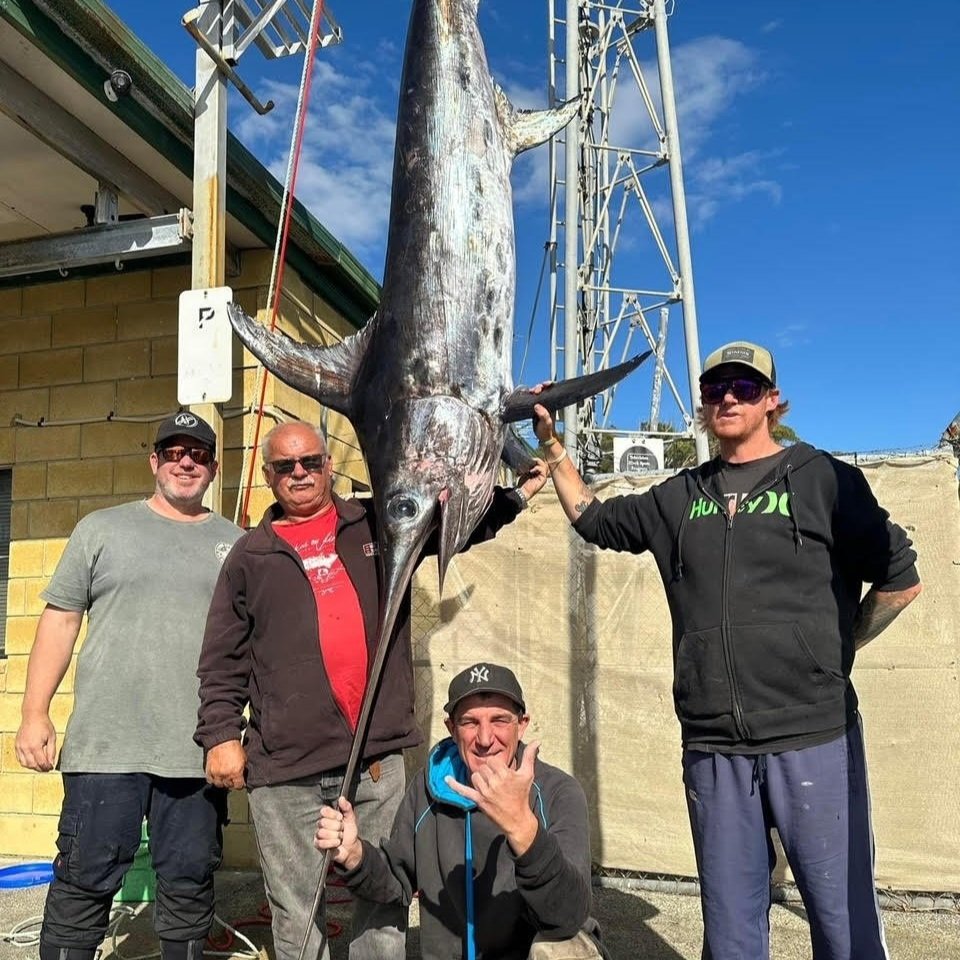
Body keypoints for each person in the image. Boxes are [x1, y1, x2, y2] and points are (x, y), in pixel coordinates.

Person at [532, 340, 922, 960]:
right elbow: (595, 520)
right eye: (716, 389)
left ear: (772, 400)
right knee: (731, 929)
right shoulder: (679, 497)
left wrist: (833, 652)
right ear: (704, 404)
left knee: (842, 921)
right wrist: (554, 448)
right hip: (714, 746)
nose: (729, 398)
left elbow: (900, 578)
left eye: (745, 387)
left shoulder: (824, 480)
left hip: (814, 735)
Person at [195, 422, 546, 960]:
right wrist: (221, 734)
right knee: (295, 911)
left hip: (374, 763)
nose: (299, 473)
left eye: (310, 462)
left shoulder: (377, 521)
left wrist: (516, 496)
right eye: (285, 466)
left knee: (383, 897)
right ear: (268, 476)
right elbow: (222, 657)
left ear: (329, 465)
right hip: (285, 766)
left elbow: (454, 526)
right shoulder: (249, 556)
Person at [15, 412, 242, 960]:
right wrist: (34, 713)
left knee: (188, 884)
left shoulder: (237, 545)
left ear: (213, 468)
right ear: (154, 461)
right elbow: (60, 620)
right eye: (174, 452)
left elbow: (253, 643)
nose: (185, 463)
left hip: (195, 752)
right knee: (83, 881)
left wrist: (240, 735)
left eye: (198, 454)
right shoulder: (101, 529)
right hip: (106, 748)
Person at [315, 662, 606, 960]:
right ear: (451, 729)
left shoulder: (559, 792)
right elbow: (396, 880)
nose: (485, 739)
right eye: (470, 722)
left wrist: (523, 828)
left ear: (522, 725)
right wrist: (354, 855)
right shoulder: (430, 787)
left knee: (564, 950)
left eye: (500, 720)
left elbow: (568, 917)